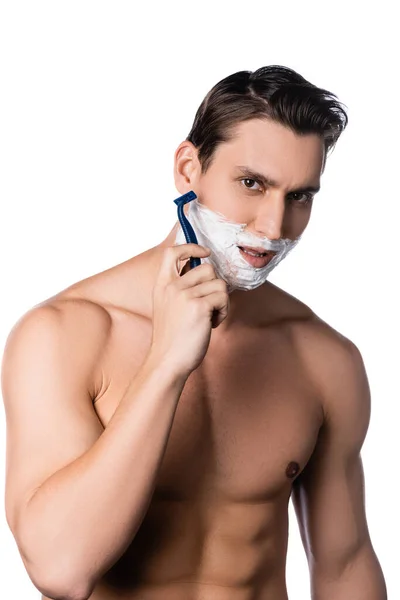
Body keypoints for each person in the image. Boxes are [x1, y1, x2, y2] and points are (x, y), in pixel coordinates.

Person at [1, 65, 387, 600]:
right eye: (252, 183)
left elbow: (344, 567)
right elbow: (61, 569)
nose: (273, 227)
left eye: (299, 197)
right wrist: (166, 363)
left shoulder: (324, 357)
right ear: (189, 169)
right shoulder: (64, 334)